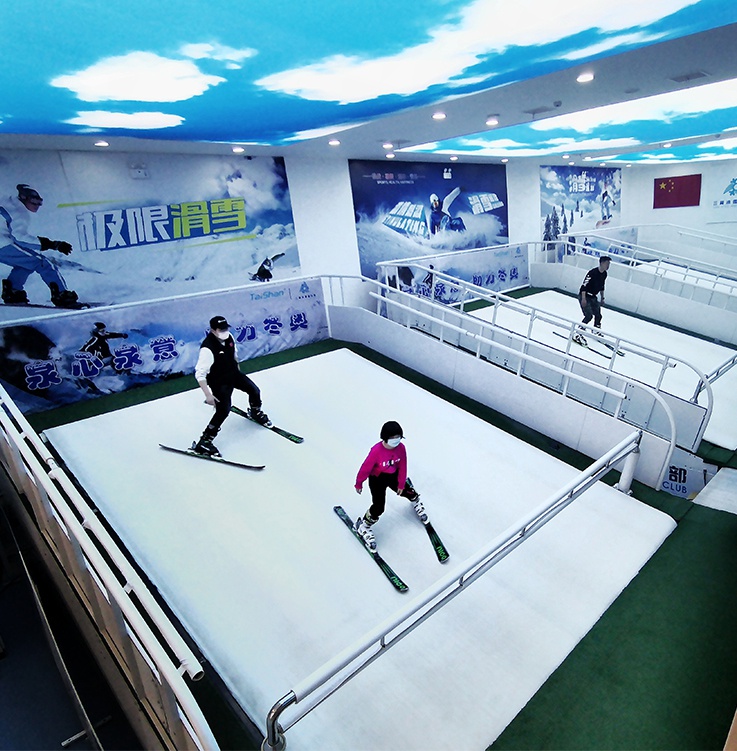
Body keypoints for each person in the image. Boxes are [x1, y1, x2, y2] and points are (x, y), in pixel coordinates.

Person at [192, 315, 271, 456]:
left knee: (254, 391)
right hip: (219, 382)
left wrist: (239, 373)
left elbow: (234, 356)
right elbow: (200, 374)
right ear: (213, 330)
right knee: (223, 410)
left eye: (225, 328)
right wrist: (208, 395)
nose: (224, 332)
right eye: (221, 329)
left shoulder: (229, 338)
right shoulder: (207, 349)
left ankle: (255, 412)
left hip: (233, 374)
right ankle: (204, 441)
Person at [0, 184, 79, 307]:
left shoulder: (7, 201)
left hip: (3, 242)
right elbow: (19, 238)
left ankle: (13, 291)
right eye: (33, 202)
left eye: (39, 202)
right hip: (2, 244)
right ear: (23, 197)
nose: (36, 205)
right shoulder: (18, 212)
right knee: (42, 263)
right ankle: (61, 294)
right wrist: (53, 244)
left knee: (26, 264)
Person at [353, 420, 427, 551]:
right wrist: (359, 483)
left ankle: (415, 500)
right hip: (377, 479)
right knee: (379, 506)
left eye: (398, 437)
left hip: (393, 475)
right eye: (393, 438)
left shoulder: (401, 448)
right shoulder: (376, 451)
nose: (396, 440)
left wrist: (401, 484)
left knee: (406, 490)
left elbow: (403, 466)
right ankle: (363, 526)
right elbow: (365, 468)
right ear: (385, 437)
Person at [574, 255, 611, 344]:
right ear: (601, 263)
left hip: (593, 296)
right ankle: (578, 332)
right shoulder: (592, 273)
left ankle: (595, 330)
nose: (608, 266)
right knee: (588, 315)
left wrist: (602, 298)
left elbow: (602, 286)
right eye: (607, 263)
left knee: (598, 315)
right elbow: (584, 286)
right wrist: (583, 299)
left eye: (609, 264)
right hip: (585, 295)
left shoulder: (604, 274)